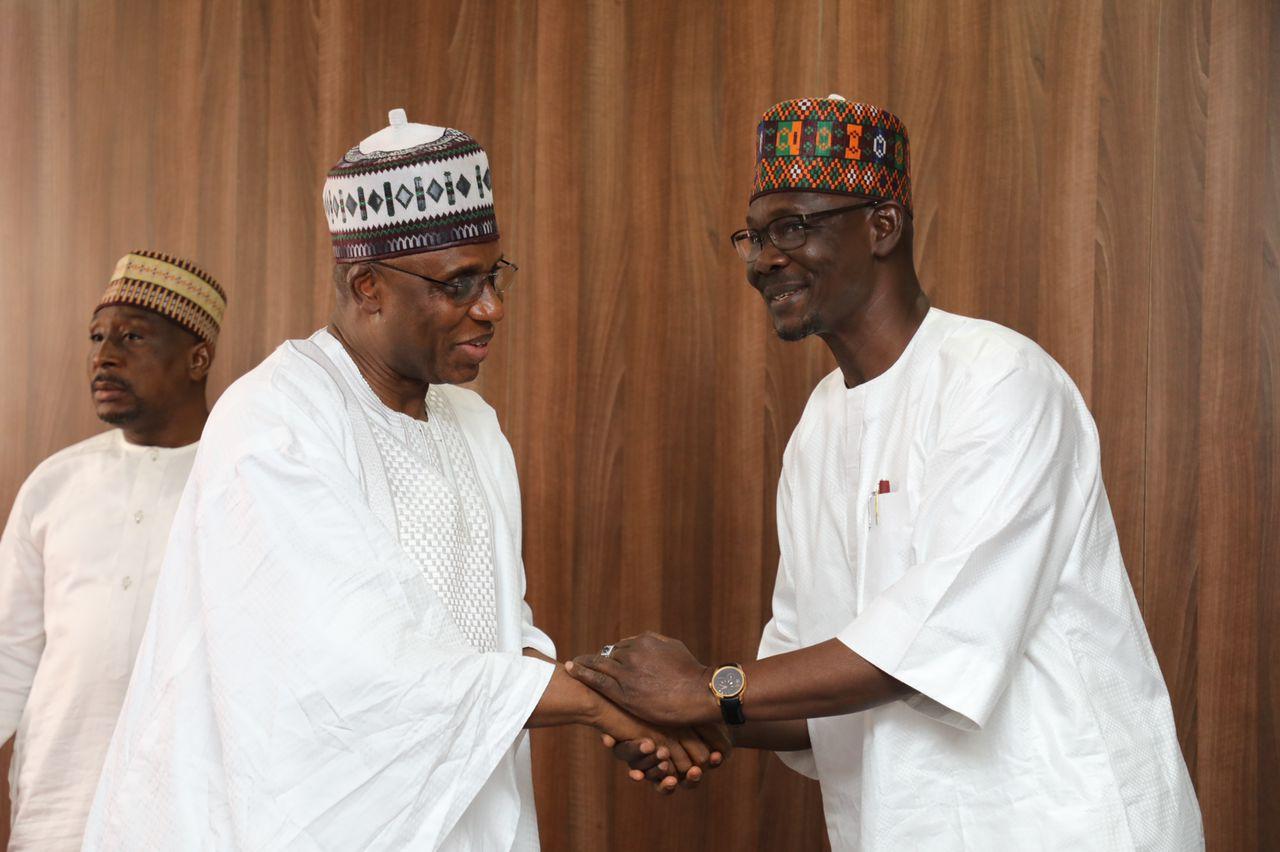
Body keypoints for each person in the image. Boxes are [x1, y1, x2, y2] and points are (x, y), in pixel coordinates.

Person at [567, 95, 1204, 850]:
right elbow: (801, 689)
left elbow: (931, 644)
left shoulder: (997, 379)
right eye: (755, 236)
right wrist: (681, 718)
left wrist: (705, 690)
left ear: (882, 226)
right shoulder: (816, 428)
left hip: (1060, 820)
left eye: (792, 227)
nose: (764, 260)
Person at [84, 109, 718, 851]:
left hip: (459, 816)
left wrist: (613, 699)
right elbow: (354, 668)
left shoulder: (474, 425)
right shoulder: (276, 417)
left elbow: (493, 639)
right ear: (368, 286)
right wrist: (600, 706)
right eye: (458, 284)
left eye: (495, 275)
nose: (492, 308)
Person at [0, 251, 225, 850]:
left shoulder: (239, 483)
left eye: (133, 337)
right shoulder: (54, 485)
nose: (104, 356)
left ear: (197, 359)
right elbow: (7, 654)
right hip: (57, 812)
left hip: (194, 812)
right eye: (97, 338)